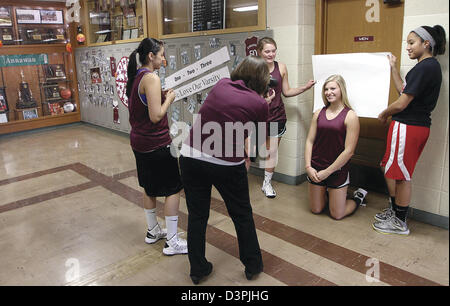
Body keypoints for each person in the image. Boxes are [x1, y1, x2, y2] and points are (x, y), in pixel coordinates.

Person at [179, 56, 270, 284]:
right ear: (262, 82)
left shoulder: (220, 84)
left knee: (197, 215)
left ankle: (198, 270)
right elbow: (255, 135)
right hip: (225, 165)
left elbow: (220, 115)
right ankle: (252, 265)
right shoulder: (260, 104)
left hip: (190, 156)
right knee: (241, 215)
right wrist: (263, 103)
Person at [374, 25, 446, 235]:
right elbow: (403, 91)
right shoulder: (426, 67)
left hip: (408, 126)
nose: (407, 47)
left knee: (401, 175)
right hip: (413, 126)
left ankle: (399, 221)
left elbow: (401, 103)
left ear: (426, 44)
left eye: (411, 42)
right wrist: (394, 67)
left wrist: (384, 113)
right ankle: (395, 211)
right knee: (389, 168)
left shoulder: (426, 67)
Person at [126, 38, 187, 255]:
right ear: (151, 56)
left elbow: (144, 107)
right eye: (161, 54)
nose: (164, 58)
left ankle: (153, 231)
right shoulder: (151, 78)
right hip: (156, 142)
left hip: (139, 142)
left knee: (149, 187)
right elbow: (156, 115)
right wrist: (169, 98)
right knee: (173, 189)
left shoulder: (137, 75)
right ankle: (172, 241)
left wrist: (160, 96)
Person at [256, 37, 316, 198]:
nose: (271, 54)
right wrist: (263, 100)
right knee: (253, 151)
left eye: (273, 50)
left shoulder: (281, 67)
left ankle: (266, 183)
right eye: (267, 51)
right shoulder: (254, 69)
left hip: (276, 116)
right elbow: (247, 96)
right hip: (257, 117)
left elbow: (287, 92)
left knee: (271, 151)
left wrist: (305, 87)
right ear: (260, 52)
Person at [305, 75, 367, 220]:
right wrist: (308, 167)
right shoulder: (318, 113)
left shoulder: (350, 116)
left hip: (336, 170)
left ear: (341, 90)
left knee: (337, 214)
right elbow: (309, 140)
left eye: (333, 88)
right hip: (316, 168)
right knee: (316, 209)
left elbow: (349, 151)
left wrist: (328, 172)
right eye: (326, 89)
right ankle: (328, 194)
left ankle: (358, 197)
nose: (329, 92)